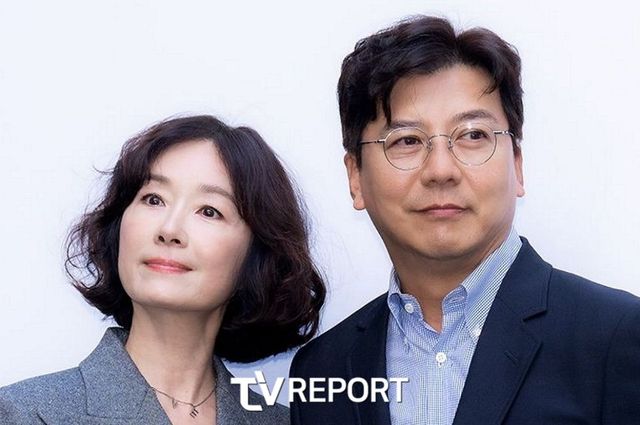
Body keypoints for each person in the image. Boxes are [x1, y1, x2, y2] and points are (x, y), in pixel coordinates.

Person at [290, 15, 640, 425]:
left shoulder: (615, 337)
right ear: (355, 177)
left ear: (517, 165)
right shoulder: (322, 369)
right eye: (406, 141)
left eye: (473, 135)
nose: (441, 170)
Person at [0, 115, 326, 424]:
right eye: (153, 199)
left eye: (209, 211)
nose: (169, 229)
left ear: (258, 253)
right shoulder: (25, 414)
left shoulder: (288, 421)